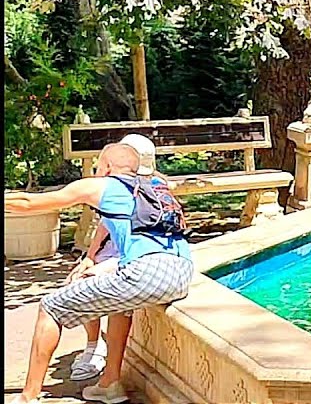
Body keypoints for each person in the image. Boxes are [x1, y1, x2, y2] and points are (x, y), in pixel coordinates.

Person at [5, 142, 194, 404]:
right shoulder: (155, 186)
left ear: (106, 167)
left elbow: (29, 203)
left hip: (146, 273)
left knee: (50, 307)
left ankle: (28, 397)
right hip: (182, 272)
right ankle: (109, 385)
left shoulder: (104, 185)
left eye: (97, 166)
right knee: (120, 304)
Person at [67, 134, 161, 382]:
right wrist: (89, 257)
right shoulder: (116, 188)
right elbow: (105, 225)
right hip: (115, 251)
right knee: (82, 278)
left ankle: (107, 364)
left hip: (138, 254)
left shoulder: (156, 188)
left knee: (107, 289)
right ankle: (93, 345)